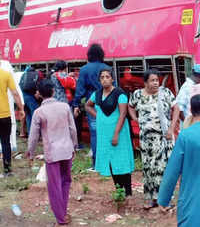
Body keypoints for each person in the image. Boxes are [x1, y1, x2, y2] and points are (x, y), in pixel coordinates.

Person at [158, 94, 200, 226]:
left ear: (191, 110)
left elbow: (172, 171)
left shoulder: (185, 135)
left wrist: (163, 199)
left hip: (193, 199)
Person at [26, 79, 77, 226]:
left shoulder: (38, 112)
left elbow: (34, 135)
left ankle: (61, 219)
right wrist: (74, 145)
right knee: (66, 181)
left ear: (39, 94)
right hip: (67, 150)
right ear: (53, 91)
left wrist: (30, 152)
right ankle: (63, 212)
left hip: (52, 153)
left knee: (54, 186)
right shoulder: (65, 107)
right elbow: (72, 128)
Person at [128, 69, 178, 209]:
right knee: (149, 168)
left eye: (157, 80)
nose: (156, 83)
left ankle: (165, 199)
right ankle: (151, 199)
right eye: (152, 80)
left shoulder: (165, 93)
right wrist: (135, 119)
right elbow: (130, 106)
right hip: (146, 139)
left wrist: (171, 128)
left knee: (163, 168)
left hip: (163, 137)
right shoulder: (138, 95)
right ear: (145, 82)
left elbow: (176, 108)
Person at [85, 68, 134, 196]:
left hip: (119, 132)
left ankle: (128, 192)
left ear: (112, 79)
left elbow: (123, 115)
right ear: (99, 80)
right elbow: (87, 105)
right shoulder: (97, 94)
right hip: (104, 133)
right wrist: (98, 116)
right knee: (110, 161)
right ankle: (119, 189)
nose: (105, 79)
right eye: (102, 77)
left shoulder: (120, 94)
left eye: (107, 77)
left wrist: (116, 134)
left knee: (121, 160)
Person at [72, 43, 110, 168]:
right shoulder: (107, 68)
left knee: (95, 133)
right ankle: (109, 161)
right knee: (107, 132)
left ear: (89, 55)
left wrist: (76, 104)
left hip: (92, 105)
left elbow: (80, 89)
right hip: (108, 103)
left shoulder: (84, 69)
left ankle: (97, 163)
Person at [0, 67, 24, 175]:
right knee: (6, 142)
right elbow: (15, 93)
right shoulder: (6, 74)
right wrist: (21, 109)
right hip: (4, 114)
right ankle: (7, 170)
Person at [20, 66, 40, 135]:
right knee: (36, 115)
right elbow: (38, 85)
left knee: (28, 115)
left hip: (23, 97)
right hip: (31, 97)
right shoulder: (36, 74)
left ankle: (30, 134)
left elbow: (20, 85)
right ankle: (36, 134)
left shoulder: (23, 75)